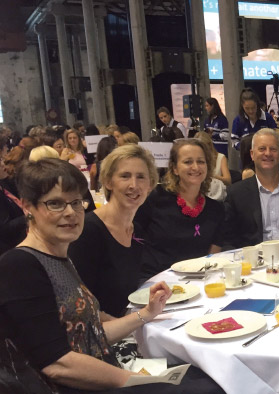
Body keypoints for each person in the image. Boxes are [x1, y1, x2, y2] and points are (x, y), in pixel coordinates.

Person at [0, 158, 225, 393]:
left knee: (211, 374)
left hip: (102, 371)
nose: (70, 213)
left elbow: (90, 335)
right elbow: (57, 364)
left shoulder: (59, 257)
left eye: (76, 202)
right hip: (80, 386)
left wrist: (146, 314)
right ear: (27, 207)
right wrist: (135, 379)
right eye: (55, 204)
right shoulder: (20, 265)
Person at [69, 145, 158, 318]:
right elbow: (79, 303)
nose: (134, 185)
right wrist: (131, 325)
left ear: (150, 185)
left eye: (141, 177)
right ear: (109, 182)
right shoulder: (88, 231)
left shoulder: (135, 229)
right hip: (103, 332)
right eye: (125, 176)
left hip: (130, 318)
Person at [135, 139, 226, 280]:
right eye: (188, 162)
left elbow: (213, 255)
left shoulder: (216, 209)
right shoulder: (155, 199)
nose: (195, 167)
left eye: (201, 161)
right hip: (156, 281)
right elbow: (134, 238)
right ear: (174, 168)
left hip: (198, 281)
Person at [0, 135, 25, 255]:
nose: (3, 164)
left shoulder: (5, 184)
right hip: (8, 250)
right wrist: (30, 215)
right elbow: (4, 229)